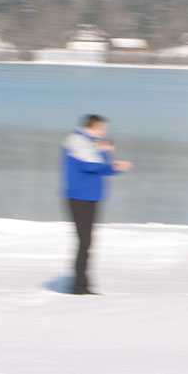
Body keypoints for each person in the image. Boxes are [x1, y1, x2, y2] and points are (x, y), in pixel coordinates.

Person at [61, 114, 132, 295]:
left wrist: (110, 158)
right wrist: (113, 164)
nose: (104, 132)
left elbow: (100, 165)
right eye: (102, 128)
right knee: (84, 241)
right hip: (79, 198)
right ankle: (79, 287)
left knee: (87, 242)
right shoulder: (76, 141)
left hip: (92, 197)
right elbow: (90, 165)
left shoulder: (91, 143)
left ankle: (82, 285)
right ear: (92, 126)